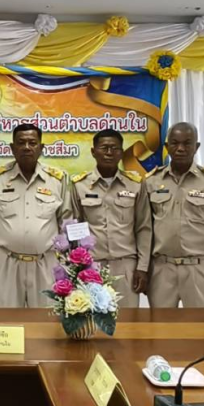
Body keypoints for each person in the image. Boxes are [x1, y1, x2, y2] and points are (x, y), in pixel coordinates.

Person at [137, 122, 204, 308]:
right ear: (167, 146)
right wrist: (143, 268)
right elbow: (145, 230)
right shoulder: (151, 181)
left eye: (187, 143)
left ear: (196, 147)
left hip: (198, 267)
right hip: (161, 268)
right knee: (161, 324)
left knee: (199, 324)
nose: (180, 148)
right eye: (175, 143)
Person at [0, 124, 72, 308]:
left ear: (41, 147)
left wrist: (67, 264)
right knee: (7, 319)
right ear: (12, 148)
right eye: (21, 143)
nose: (27, 147)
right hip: (7, 262)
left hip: (46, 262)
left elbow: (67, 224)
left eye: (32, 143)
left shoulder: (57, 179)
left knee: (46, 317)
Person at [70, 129, 150, 304]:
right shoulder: (80, 185)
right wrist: (77, 266)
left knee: (128, 318)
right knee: (92, 317)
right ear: (93, 152)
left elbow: (143, 228)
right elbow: (74, 228)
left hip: (126, 266)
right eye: (104, 148)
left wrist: (143, 267)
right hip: (92, 265)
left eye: (114, 148)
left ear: (121, 153)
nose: (109, 153)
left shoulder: (135, 184)